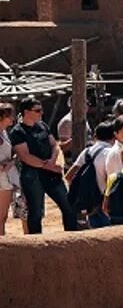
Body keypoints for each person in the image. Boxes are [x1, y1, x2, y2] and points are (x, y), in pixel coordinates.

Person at [10, 98, 80, 233]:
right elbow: (25, 156)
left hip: (50, 172)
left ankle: (71, 237)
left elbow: (54, 144)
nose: (41, 113)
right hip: (33, 175)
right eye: (37, 110)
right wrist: (48, 165)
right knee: (36, 211)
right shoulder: (18, 132)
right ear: (26, 112)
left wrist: (53, 160)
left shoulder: (42, 126)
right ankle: (37, 244)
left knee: (68, 205)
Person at [0, 103, 17, 234]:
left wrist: (11, 162)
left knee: (3, 216)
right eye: (9, 116)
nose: (12, 118)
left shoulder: (4, 132)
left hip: (5, 176)